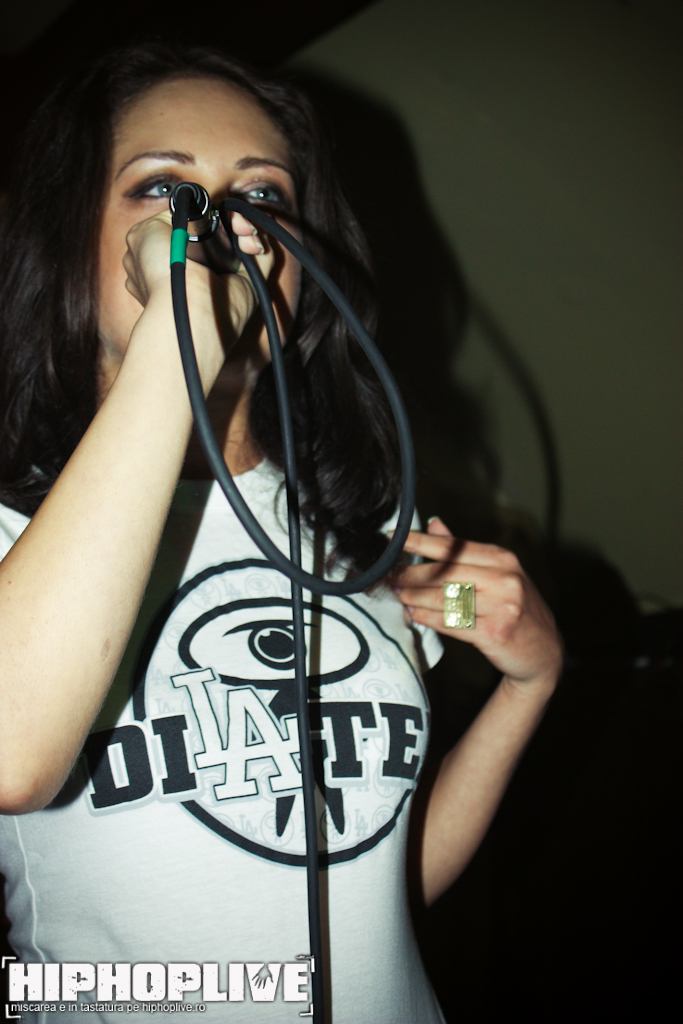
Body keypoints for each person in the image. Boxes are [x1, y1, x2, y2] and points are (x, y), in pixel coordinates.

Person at [0, 42, 563, 1023]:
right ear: (69, 236)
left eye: (262, 195)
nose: (224, 227)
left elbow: (377, 887)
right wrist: (179, 338)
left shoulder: (365, 524)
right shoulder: (16, 530)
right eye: (164, 189)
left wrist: (528, 682)